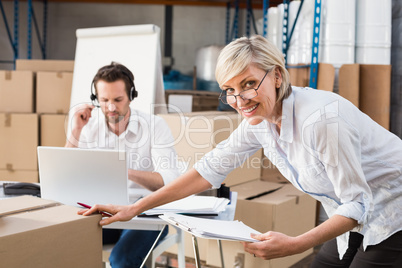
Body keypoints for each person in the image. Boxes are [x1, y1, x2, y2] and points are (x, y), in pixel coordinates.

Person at [79, 36, 402, 267]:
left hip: (393, 213)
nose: (240, 99)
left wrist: (296, 243)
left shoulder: (320, 120)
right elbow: (208, 170)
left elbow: (357, 202)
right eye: (230, 90)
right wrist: (133, 209)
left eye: (248, 83)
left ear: (276, 75)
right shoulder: (259, 122)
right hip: (353, 217)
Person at [66, 62, 181, 268]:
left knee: (121, 260)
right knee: (57, 243)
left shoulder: (155, 127)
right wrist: (75, 131)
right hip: (100, 212)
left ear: (131, 95)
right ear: (96, 99)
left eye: (118, 100)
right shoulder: (87, 126)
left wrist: (123, 171)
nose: (111, 107)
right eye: (104, 100)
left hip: (146, 214)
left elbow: (168, 183)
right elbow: (65, 173)